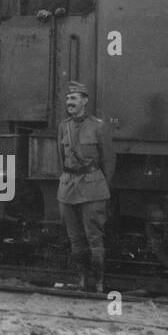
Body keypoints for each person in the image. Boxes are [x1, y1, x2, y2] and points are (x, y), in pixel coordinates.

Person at [57, 81, 115, 293]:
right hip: (68, 188)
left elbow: (108, 160)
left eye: (73, 99)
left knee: (94, 237)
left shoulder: (98, 126)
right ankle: (81, 281)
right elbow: (60, 158)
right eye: (67, 99)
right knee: (75, 238)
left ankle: (98, 283)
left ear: (85, 101)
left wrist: (101, 187)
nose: (69, 103)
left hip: (93, 189)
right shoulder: (64, 127)